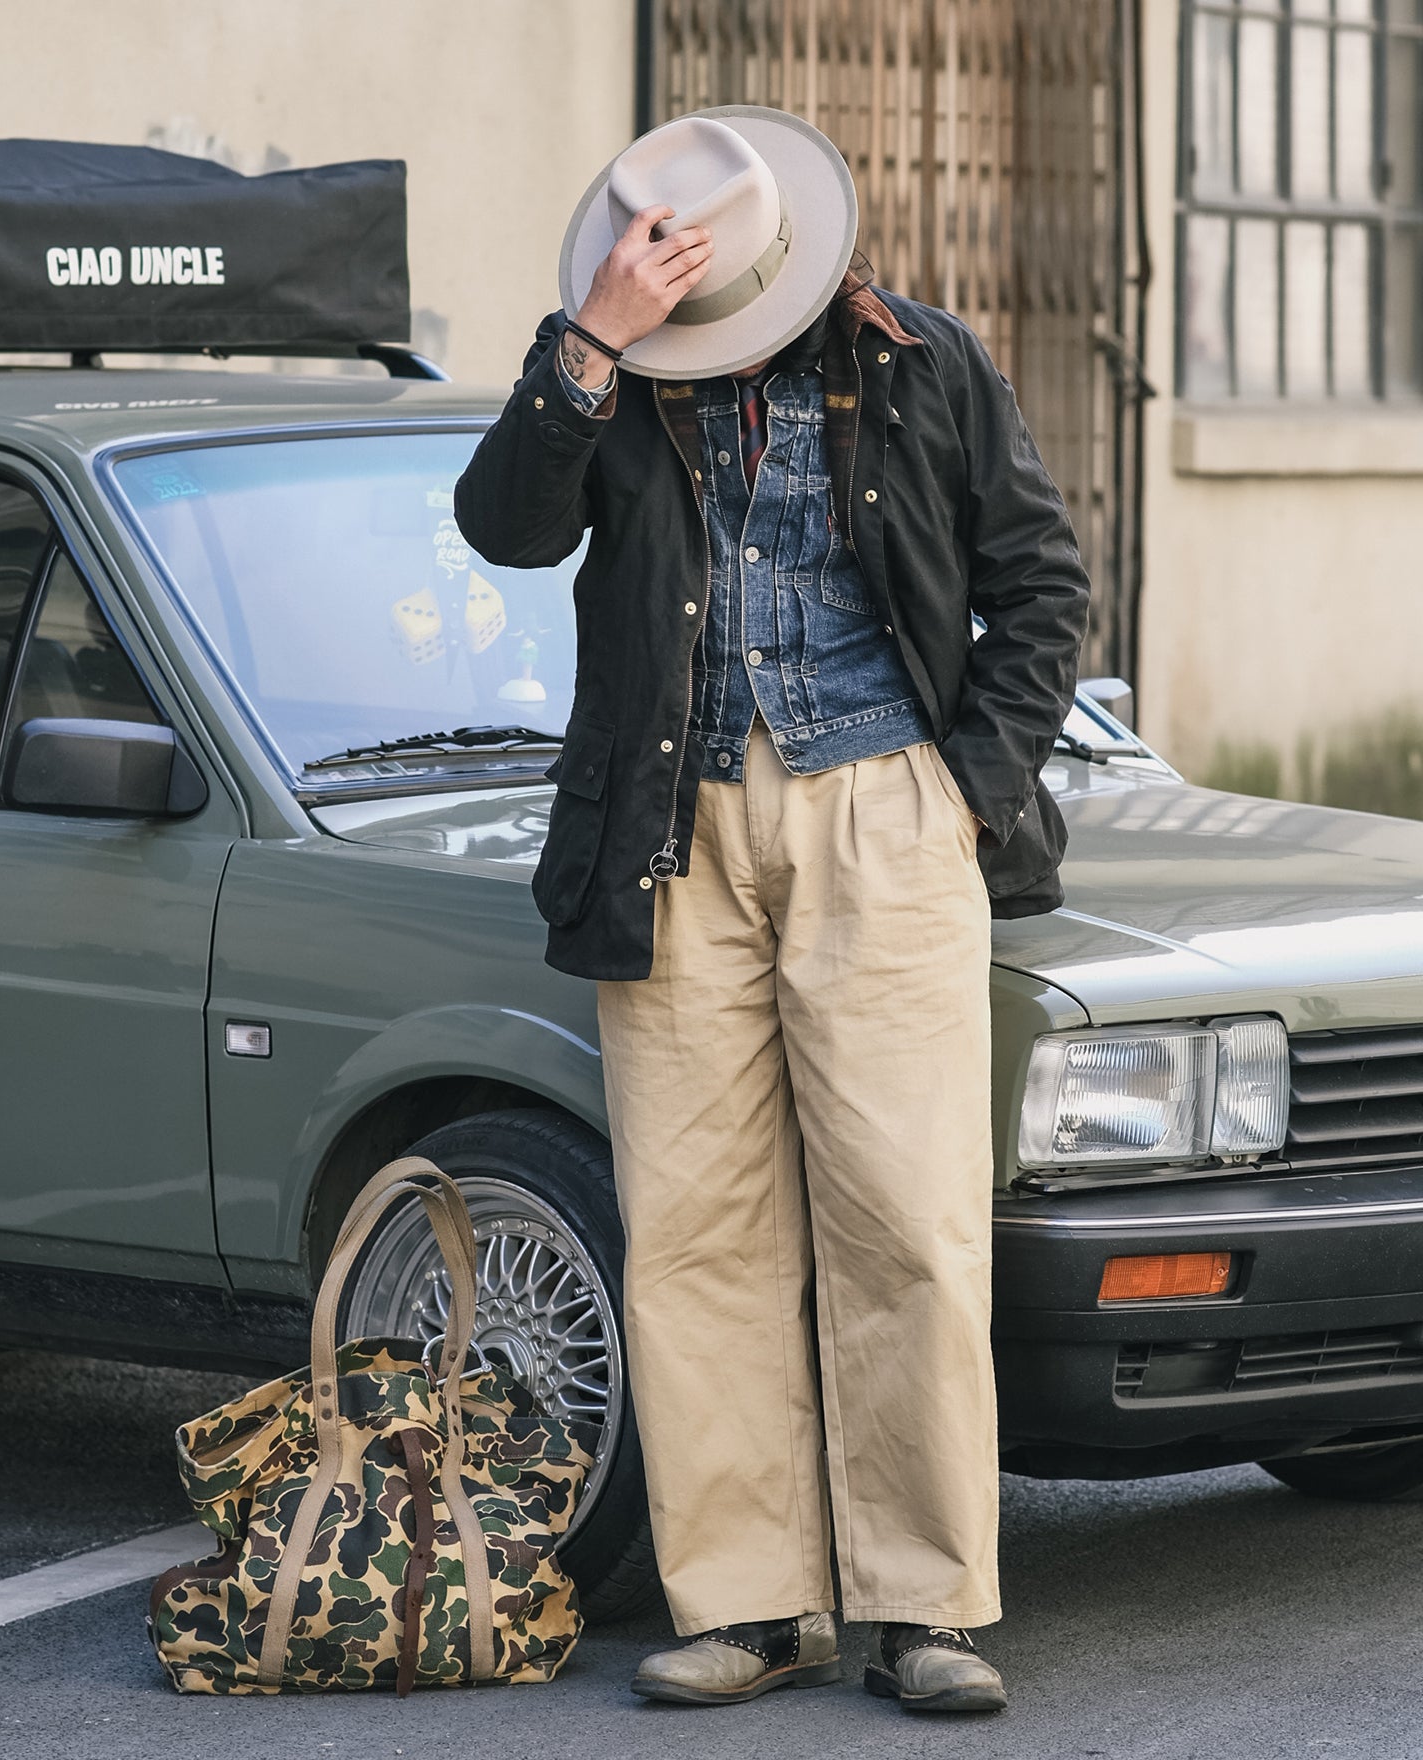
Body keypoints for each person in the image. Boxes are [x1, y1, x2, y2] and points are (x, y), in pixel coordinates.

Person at [455, 105, 1090, 1715]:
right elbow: (505, 528)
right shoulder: (607, 371)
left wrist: (964, 791)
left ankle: (926, 1607)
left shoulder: (924, 362)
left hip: (886, 815)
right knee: (696, 1228)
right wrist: (596, 338)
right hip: (671, 831)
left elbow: (1042, 585)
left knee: (908, 1222)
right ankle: (748, 1604)